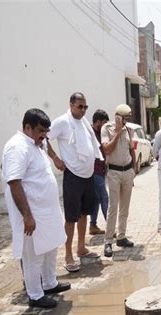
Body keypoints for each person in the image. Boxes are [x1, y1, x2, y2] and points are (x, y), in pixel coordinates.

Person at [3, 109, 70, 308]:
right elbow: (14, 182)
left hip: (46, 213)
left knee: (50, 248)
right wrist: (27, 216)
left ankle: (49, 283)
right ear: (27, 127)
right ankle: (35, 294)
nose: (44, 135)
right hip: (32, 216)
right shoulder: (17, 147)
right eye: (40, 131)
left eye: (46, 132)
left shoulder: (35, 145)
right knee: (33, 256)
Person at [47, 92, 103, 272]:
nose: (83, 110)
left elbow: (93, 145)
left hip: (88, 175)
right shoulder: (62, 121)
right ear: (71, 105)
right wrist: (55, 158)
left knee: (84, 213)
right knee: (71, 216)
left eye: (85, 107)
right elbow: (44, 138)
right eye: (80, 106)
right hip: (72, 175)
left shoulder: (84, 122)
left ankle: (81, 248)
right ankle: (68, 254)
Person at [101, 104, 137, 257]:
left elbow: (131, 149)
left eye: (127, 118)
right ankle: (108, 240)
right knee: (113, 208)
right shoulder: (106, 129)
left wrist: (134, 169)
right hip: (114, 172)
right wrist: (117, 132)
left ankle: (121, 236)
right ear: (117, 116)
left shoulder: (129, 129)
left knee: (125, 207)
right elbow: (107, 149)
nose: (125, 120)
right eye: (124, 117)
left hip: (127, 171)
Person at [89, 109, 109, 235]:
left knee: (96, 199)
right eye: (104, 123)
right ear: (98, 122)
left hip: (100, 170)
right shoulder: (89, 133)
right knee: (104, 197)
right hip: (93, 171)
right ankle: (111, 226)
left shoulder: (101, 133)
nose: (106, 126)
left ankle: (93, 225)